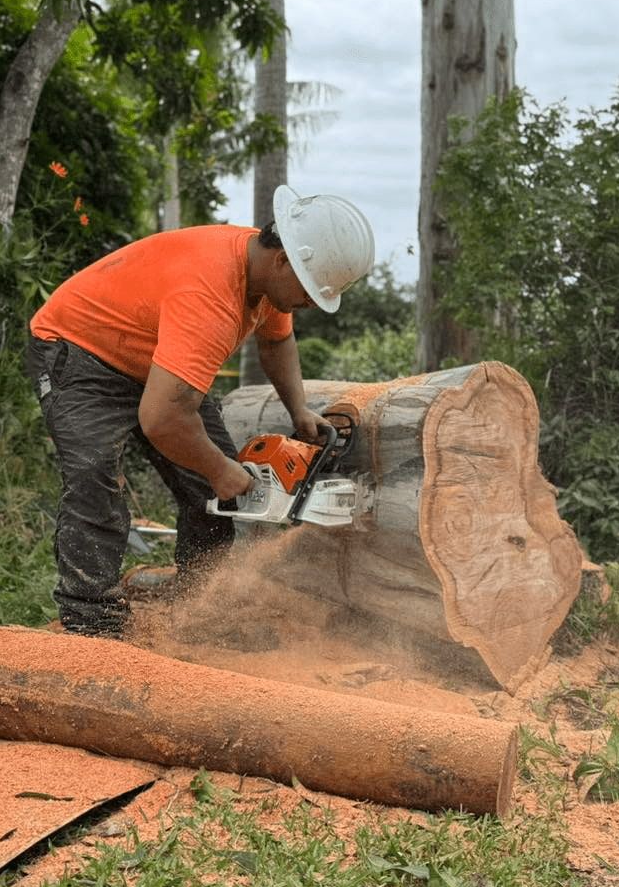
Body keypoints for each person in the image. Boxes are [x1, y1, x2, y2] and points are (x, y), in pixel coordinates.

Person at [26, 184, 374, 637]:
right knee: (95, 475)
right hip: (80, 349)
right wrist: (218, 469)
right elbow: (162, 420)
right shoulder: (211, 296)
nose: (310, 301)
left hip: (156, 358)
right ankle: (91, 617)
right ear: (284, 259)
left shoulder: (268, 278)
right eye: (309, 291)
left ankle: (198, 608)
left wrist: (298, 409)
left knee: (214, 491)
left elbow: (277, 340)